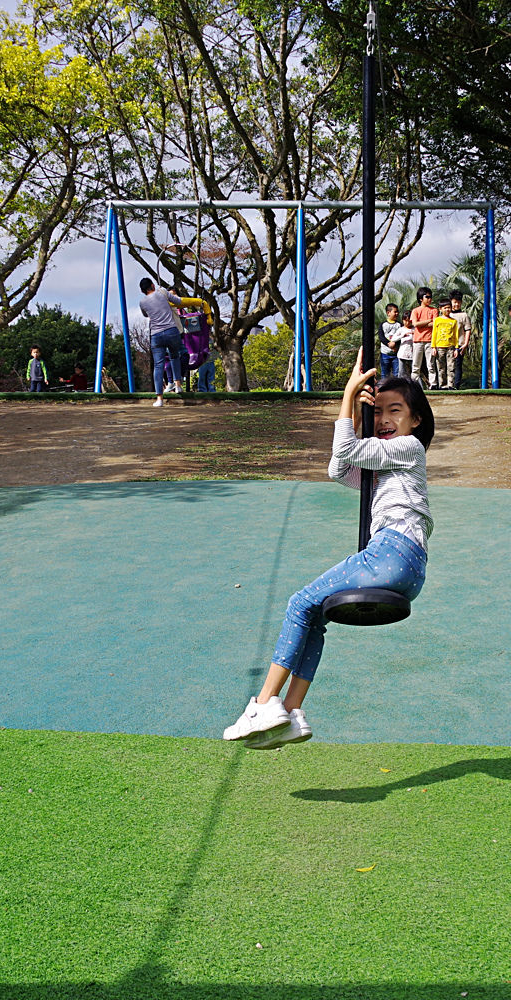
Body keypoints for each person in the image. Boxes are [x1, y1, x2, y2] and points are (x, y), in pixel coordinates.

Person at [222, 353, 435, 750]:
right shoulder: (385, 463)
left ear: (415, 420)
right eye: (379, 412)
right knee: (314, 615)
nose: (385, 420)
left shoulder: (408, 448)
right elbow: (339, 468)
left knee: (298, 602)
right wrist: (357, 413)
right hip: (407, 564)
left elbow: (348, 449)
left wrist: (348, 396)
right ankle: (292, 713)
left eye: (395, 411)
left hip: (391, 553)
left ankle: (264, 704)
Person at [138, 278, 210, 407]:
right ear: (153, 285)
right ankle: (178, 385)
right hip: (171, 331)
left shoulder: (142, 302)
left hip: (156, 334)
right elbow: (178, 302)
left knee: (158, 366)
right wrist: (199, 302)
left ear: (143, 291)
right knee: (175, 356)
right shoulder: (163, 292)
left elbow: (145, 314)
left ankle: (159, 399)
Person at [409, 287, 438, 388]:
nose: (430, 299)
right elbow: (415, 324)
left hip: (430, 341)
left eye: (431, 297)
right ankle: (414, 385)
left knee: (431, 365)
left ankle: (433, 384)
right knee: (416, 366)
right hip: (418, 341)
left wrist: (421, 323)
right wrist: (428, 321)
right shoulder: (415, 311)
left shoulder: (434, 310)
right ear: (421, 298)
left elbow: (435, 323)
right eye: (427, 297)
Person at [430, 300, 459, 390]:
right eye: (445, 308)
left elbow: (456, 335)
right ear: (440, 309)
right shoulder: (437, 320)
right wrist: (433, 347)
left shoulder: (454, 321)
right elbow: (434, 334)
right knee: (441, 367)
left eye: (449, 307)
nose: (447, 309)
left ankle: (451, 385)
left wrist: (456, 348)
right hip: (439, 347)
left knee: (451, 367)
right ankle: (442, 385)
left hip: (450, 347)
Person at [448, 292, 474, 388]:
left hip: (459, 344)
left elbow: (468, 329)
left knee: (457, 366)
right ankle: (446, 385)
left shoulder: (464, 315)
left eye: (458, 302)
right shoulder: (447, 314)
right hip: (446, 344)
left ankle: (456, 386)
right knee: (447, 366)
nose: (456, 304)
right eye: (454, 302)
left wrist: (465, 343)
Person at [379, 303, 403, 378]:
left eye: (397, 312)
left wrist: (395, 344)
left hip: (396, 354)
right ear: (388, 313)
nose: (397, 313)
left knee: (397, 374)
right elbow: (381, 337)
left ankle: (396, 389)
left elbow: (402, 336)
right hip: (385, 354)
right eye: (395, 312)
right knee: (384, 374)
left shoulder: (399, 325)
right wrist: (389, 344)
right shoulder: (383, 324)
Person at [397, 311, 416, 377]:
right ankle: (400, 386)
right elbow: (393, 339)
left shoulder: (415, 329)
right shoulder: (401, 329)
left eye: (409, 321)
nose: (407, 323)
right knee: (401, 372)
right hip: (402, 353)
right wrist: (403, 335)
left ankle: (418, 386)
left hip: (412, 353)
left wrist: (414, 334)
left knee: (415, 371)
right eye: (406, 320)